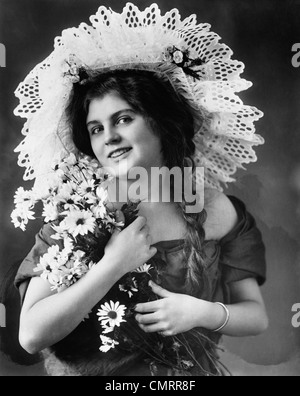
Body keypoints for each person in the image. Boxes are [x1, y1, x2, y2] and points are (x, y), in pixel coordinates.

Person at [11, 4, 268, 376]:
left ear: (161, 123)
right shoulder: (83, 215)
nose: (110, 137)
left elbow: (255, 315)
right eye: (96, 128)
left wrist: (202, 312)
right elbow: (31, 335)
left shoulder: (217, 210)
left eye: (124, 119)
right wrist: (114, 264)